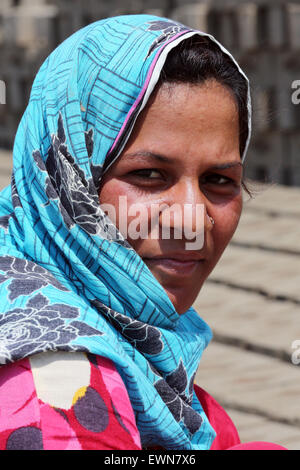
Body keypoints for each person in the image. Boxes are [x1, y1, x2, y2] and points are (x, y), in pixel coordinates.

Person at [0, 14, 286, 451]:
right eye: (150, 174)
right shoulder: (56, 392)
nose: (192, 219)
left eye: (219, 180)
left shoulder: (133, 339)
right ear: (67, 177)